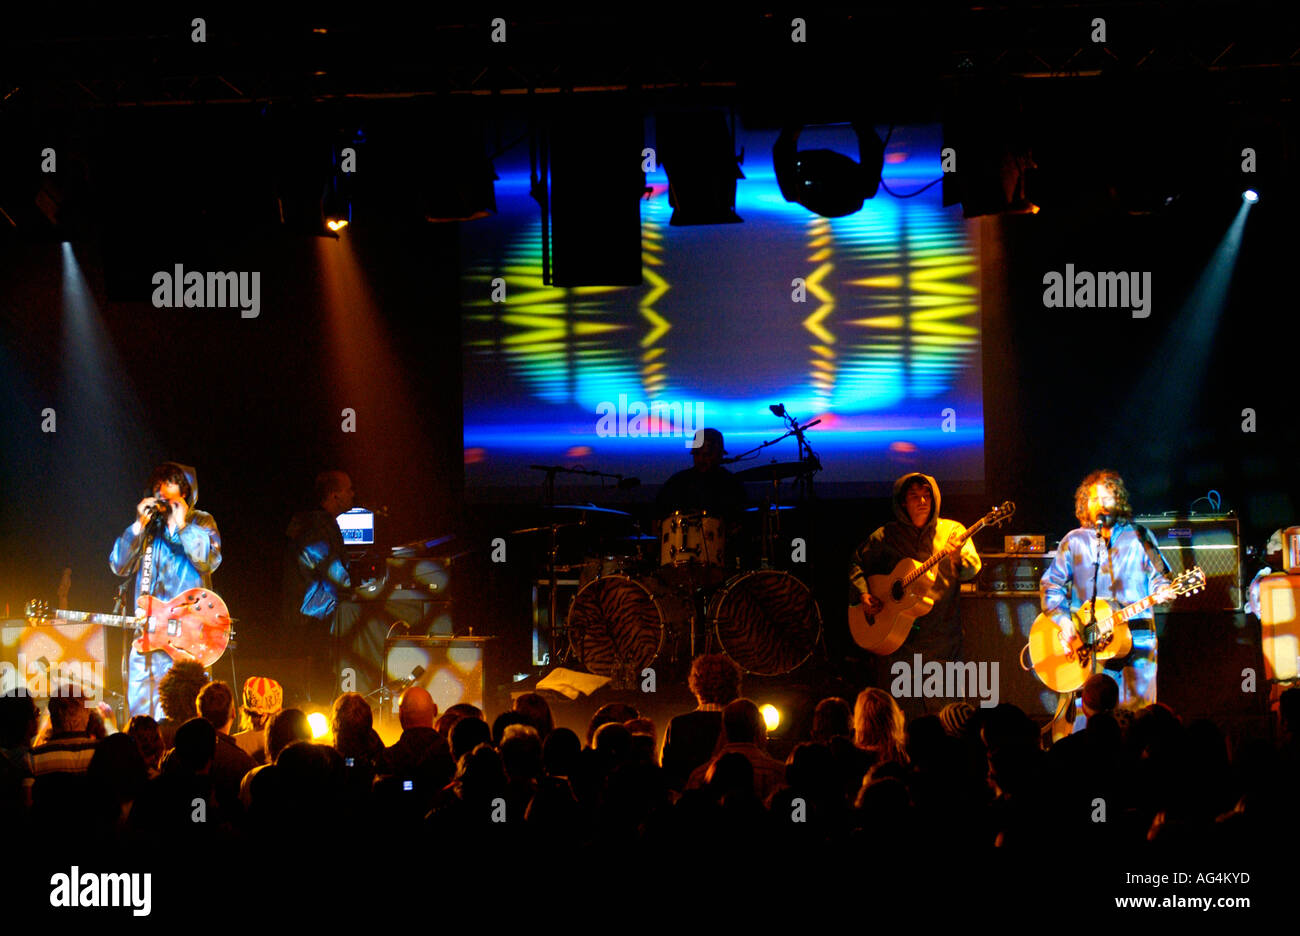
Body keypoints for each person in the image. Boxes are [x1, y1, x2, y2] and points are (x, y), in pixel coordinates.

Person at [1041, 470, 1175, 729]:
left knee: (1139, 721)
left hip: (1137, 643)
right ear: (1085, 504)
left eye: (1108, 497)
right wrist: (1065, 623)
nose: (1101, 504)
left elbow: (1162, 578)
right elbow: (1050, 585)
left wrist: (1164, 590)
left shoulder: (1140, 537)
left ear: (1119, 501)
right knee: (1087, 722)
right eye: (1094, 498)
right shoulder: (1074, 541)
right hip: (1089, 647)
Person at [848, 473, 981, 715]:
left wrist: (956, 556)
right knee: (903, 717)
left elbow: (972, 570)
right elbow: (857, 564)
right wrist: (864, 595)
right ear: (902, 503)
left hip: (941, 641)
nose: (922, 501)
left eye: (926, 496)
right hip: (898, 643)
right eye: (914, 497)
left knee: (946, 716)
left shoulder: (953, 532)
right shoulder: (886, 536)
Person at [109, 462, 222, 718]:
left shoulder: (202, 521)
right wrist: (138, 526)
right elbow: (118, 565)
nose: (161, 492)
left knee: (189, 715)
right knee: (143, 720)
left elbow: (208, 560)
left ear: (185, 492)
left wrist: (184, 526)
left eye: (169, 485)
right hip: (148, 640)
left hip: (189, 641)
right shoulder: (149, 529)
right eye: (158, 487)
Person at [284, 471, 354, 703]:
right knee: (318, 681)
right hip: (312, 619)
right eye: (348, 489)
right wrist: (359, 588)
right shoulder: (315, 527)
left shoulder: (321, 524)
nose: (353, 494)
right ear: (335, 495)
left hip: (314, 617)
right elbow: (334, 573)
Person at [655, 428, 746, 523]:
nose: (701, 459)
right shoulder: (678, 482)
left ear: (719, 455)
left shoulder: (731, 485)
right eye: (697, 454)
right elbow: (658, 511)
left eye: (707, 455)